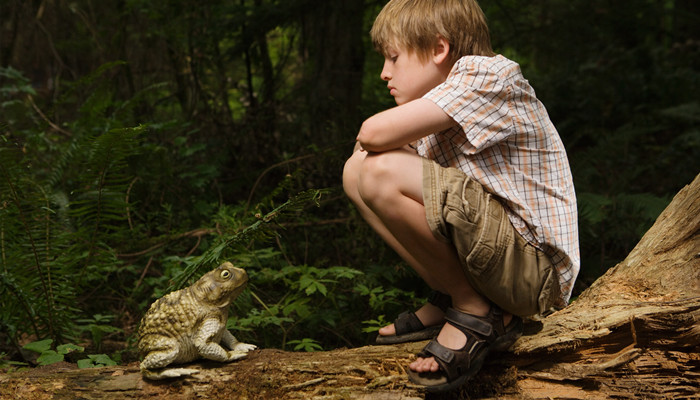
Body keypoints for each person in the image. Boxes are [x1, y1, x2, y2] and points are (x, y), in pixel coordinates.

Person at [342, 0, 580, 393]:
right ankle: (458, 296)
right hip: (502, 263)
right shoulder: (437, 113)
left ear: (439, 49)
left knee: (377, 168)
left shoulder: (486, 75)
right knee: (357, 171)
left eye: (393, 57)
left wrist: (375, 149)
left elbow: (371, 133)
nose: (385, 73)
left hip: (535, 275)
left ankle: (474, 308)